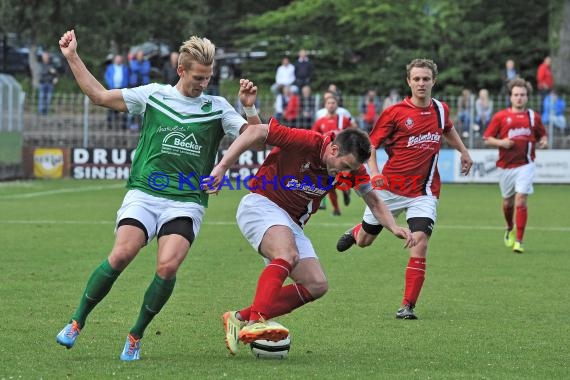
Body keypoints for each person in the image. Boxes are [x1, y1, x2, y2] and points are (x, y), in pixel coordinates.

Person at [55, 29, 262, 361]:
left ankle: (135, 335)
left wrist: (250, 109)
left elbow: (257, 137)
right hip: (145, 193)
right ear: (181, 70)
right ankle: (77, 321)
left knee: (167, 267)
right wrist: (72, 57)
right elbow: (100, 96)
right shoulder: (153, 95)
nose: (203, 83)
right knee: (122, 254)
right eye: (198, 77)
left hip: (186, 200)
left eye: (208, 78)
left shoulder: (217, 106)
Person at [206, 120, 415, 355]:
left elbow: (374, 200)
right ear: (334, 150)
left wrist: (393, 226)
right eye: (344, 166)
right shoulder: (306, 141)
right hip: (261, 204)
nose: (345, 173)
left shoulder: (353, 168)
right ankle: (256, 322)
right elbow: (255, 130)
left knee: (316, 284)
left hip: (292, 223)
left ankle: (238, 318)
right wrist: (222, 167)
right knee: (287, 254)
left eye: (351, 169)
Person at [335, 58, 473, 320]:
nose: (421, 83)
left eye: (426, 79)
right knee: (365, 241)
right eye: (417, 79)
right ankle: (357, 232)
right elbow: (371, 145)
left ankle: (408, 305)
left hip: (424, 192)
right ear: (409, 81)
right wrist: (374, 173)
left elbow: (449, 130)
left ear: (434, 81)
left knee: (419, 242)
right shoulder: (395, 113)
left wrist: (463, 151)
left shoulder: (441, 110)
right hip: (388, 190)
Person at [483, 78, 548, 254]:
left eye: (523, 95)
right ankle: (509, 226)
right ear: (510, 97)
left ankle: (519, 241)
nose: (519, 98)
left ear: (527, 97)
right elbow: (487, 138)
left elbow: (543, 136)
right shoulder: (501, 116)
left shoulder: (534, 117)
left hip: (526, 165)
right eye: (516, 95)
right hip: (505, 167)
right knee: (507, 203)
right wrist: (502, 143)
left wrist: (543, 141)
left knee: (521, 199)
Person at [312, 94, 354, 216]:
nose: (331, 105)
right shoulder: (320, 122)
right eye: (329, 103)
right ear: (325, 105)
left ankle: (345, 190)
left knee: (341, 179)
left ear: (337, 105)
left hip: (342, 155)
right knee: (329, 183)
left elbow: (353, 132)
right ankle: (336, 208)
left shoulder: (343, 120)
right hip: (328, 157)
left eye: (333, 103)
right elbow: (314, 137)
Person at [104, 54, 129, 130]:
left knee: (123, 106)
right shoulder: (110, 68)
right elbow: (107, 77)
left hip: (121, 89)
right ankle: (109, 125)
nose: (118, 60)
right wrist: (110, 84)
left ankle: (123, 126)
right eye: (117, 59)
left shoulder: (125, 68)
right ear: (115, 60)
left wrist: (125, 85)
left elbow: (127, 77)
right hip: (112, 88)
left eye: (119, 59)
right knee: (110, 107)